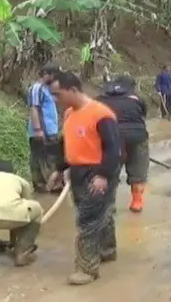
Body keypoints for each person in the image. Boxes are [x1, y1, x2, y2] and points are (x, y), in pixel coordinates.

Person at [48, 72, 121, 285]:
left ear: (72, 90)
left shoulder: (101, 114)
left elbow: (113, 149)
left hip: (97, 171)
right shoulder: (69, 113)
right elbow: (67, 145)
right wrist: (59, 169)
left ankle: (87, 268)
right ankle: (107, 250)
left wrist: (103, 175)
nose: (56, 100)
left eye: (58, 94)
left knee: (87, 220)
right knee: (101, 213)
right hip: (78, 171)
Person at [96, 75, 150, 213]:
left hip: (112, 137)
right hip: (137, 137)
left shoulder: (101, 98)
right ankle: (137, 201)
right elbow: (142, 116)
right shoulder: (137, 99)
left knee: (110, 168)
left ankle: (109, 204)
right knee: (138, 166)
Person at [27, 64, 61, 193]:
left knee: (49, 158)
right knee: (42, 159)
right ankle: (46, 186)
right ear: (47, 74)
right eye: (54, 76)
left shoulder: (47, 89)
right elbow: (34, 108)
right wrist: (38, 129)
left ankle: (48, 186)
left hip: (50, 130)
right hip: (42, 131)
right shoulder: (37, 88)